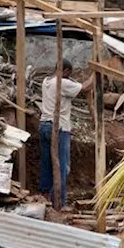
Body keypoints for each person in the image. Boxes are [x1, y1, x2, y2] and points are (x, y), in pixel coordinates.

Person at [38, 60, 92, 210]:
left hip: (44, 125)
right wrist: (97, 73)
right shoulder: (62, 83)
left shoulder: (46, 81)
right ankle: (60, 202)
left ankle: (44, 195)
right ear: (66, 71)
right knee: (62, 166)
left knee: (47, 163)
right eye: (70, 74)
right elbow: (87, 87)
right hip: (58, 128)